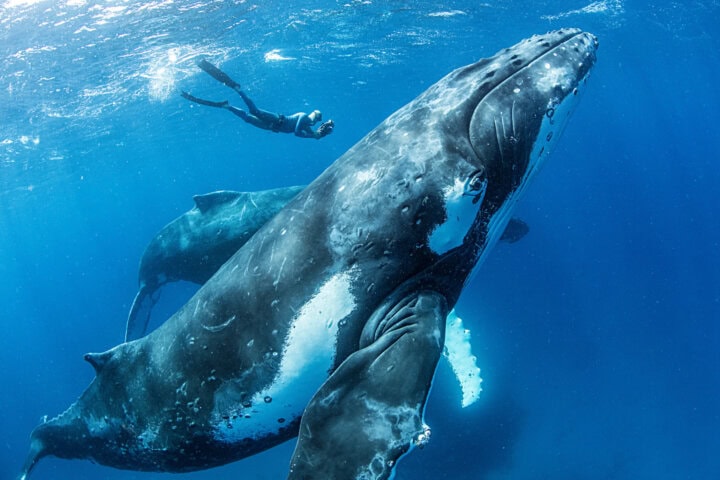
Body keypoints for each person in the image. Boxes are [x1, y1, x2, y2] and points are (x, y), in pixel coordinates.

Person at [181, 59, 334, 139]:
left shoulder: (308, 125)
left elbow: (305, 133)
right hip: (277, 120)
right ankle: (238, 89)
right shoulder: (303, 116)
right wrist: (312, 136)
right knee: (253, 110)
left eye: (318, 118)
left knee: (247, 118)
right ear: (313, 114)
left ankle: (226, 106)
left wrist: (314, 135)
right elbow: (296, 132)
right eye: (317, 117)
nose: (316, 120)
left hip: (272, 127)